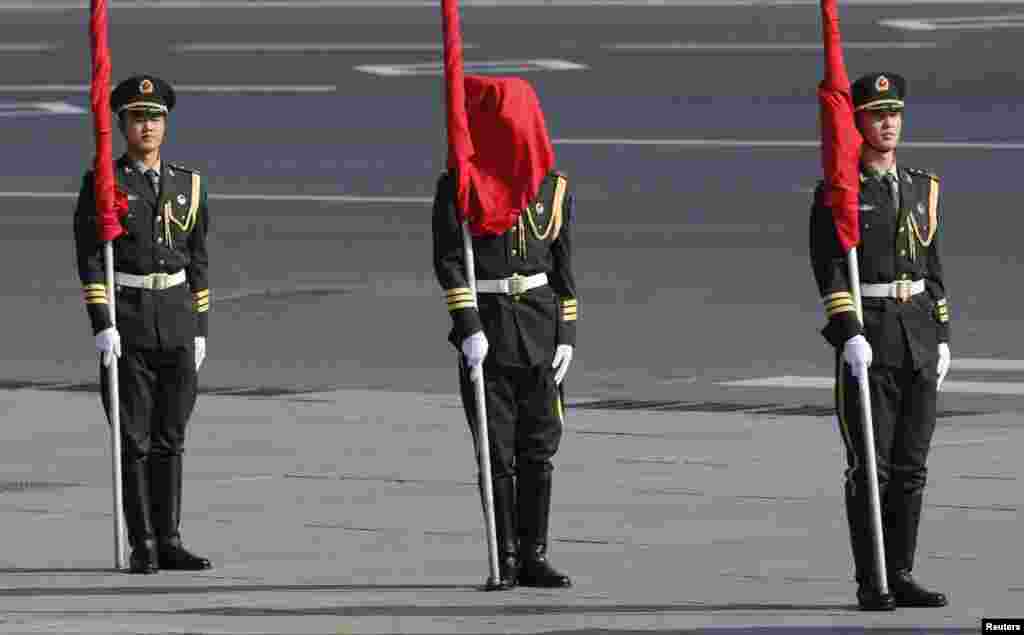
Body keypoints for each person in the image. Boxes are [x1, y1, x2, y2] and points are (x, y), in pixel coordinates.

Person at [810, 72, 950, 610]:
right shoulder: (839, 190)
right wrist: (848, 332)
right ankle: (873, 580)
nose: (887, 122)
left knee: (912, 467)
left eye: (894, 113)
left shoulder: (922, 186)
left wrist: (941, 334)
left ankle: (903, 571)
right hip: (869, 335)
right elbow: (827, 267)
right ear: (858, 122)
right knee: (872, 466)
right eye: (875, 114)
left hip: (915, 332)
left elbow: (934, 266)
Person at [433, 75, 578, 589]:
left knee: (539, 446)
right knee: (496, 449)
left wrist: (567, 334)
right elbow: (449, 259)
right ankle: (507, 555)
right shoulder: (461, 184)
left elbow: (564, 270)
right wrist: (467, 324)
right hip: (490, 331)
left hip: (540, 330)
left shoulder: (552, 187)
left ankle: (536, 552)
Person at [73, 75, 212, 574]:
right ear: (122, 124)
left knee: (170, 435)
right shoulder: (104, 184)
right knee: (132, 437)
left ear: (166, 124)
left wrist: (200, 328)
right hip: (129, 319)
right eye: (137, 117)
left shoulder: (189, 184)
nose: (147, 126)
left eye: (154, 117)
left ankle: (170, 537)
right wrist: (102, 321)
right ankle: (143, 542)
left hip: (175, 317)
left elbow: (198, 260)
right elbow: (90, 257)